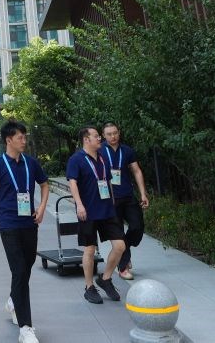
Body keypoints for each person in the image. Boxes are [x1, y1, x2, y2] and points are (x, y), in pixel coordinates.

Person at [0, 120, 49, 343]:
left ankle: (13, 300)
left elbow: (45, 184)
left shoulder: (31, 163)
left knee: (26, 267)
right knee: (19, 270)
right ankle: (26, 328)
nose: (24, 140)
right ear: (9, 140)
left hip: (30, 223)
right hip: (8, 224)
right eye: (20, 137)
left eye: (25, 137)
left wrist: (42, 207)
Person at [66, 126, 126, 304]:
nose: (100, 138)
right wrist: (79, 205)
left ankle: (105, 278)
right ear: (86, 140)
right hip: (88, 211)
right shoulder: (76, 159)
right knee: (90, 249)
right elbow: (72, 183)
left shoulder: (102, 158)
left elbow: (108, 181)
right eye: (96, 136)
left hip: (107, 209)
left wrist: (113, 202)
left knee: (120, 246)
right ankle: (89, 287)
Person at [102, 122, 149, 280]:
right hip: (110, 199)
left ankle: (124, 248)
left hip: (128, 196)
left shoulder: (127, 150)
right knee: (119, 233)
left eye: (115, 133)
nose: (113, 136)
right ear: (103, 136)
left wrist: (143, 194)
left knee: (137, 226)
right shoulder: (100, 151)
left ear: (119, 132)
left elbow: (136, 170)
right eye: (109, 134)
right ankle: (123, 267)